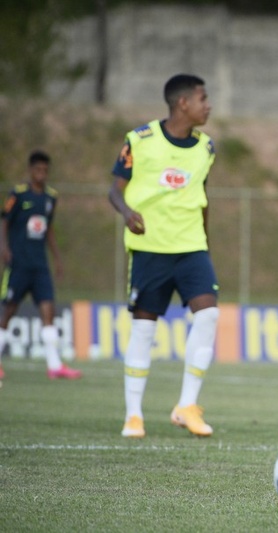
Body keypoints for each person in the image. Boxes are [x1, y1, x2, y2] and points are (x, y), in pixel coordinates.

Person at [108, 73, 220, 438]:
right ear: (183, 103)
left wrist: (204, 239)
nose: (209, 105)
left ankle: (186, 406)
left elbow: (201, 196)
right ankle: (133, 415)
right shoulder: (139, 140)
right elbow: (114, 190)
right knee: (144, 329)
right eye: (203, 98)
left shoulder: (206, 148)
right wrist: (127, 214)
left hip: (191, 248)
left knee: (208, 315)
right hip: (149, 250)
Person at [0, 150, 82, 380]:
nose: (41, 174)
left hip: (40, 266)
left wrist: (56, 258)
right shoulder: (18, 194)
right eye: (38, 169)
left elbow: (49, 229)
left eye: (45, 170)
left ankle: (54, 366)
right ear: (30, 170)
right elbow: (4, 222)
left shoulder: (50, 197)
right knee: (9, 311)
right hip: (18, 264)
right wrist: (4, 248)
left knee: (48, 311)